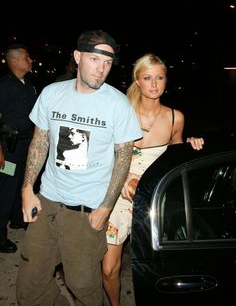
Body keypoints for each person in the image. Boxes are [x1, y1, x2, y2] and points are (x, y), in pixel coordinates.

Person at [15, 30, 142, 306]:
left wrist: (105, 208)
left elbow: (123, 158)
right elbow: (40, 141)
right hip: (47, 203)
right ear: (77, 57)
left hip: (85, 213)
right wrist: (27, 188)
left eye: (108, 63)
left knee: (82, 286)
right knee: (31, 284)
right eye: (95, 59)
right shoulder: (52, 93)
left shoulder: (118, 105)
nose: (102, 69)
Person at [102, 53, 204, 306]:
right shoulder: (121, 111)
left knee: (156, 267)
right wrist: (122, 178)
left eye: (160, 77)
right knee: (108, 269)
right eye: (148, 78)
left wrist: (190, 144)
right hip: (119, 197)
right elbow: (103, 154)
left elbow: (176, 160)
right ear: (138, 81)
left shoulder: (174, 118)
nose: (154, 84)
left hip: (153, 200)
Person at [0, 44, 37, 253]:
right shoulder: (4, 86)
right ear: (14, 61)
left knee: (20, 184)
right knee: (5, 190)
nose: (30, 60)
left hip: (24, 145)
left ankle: (16, 219)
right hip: (8, 148)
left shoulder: (27, 85)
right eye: (26, 57)